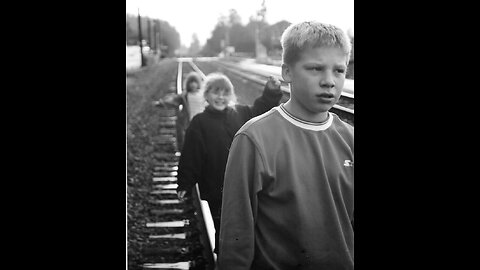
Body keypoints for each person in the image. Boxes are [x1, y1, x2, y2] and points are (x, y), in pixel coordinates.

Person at [218, 21, 354, 269]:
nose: (329, 81)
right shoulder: (253, 139)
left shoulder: (350, 139)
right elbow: (236, 233)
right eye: (315, 69)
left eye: (339, 71)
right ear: (287, 72)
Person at [176, 72, 283, 254]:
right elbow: (191, 154)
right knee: (223, 227)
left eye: (225, 93)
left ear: (231, 95)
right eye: (215, 92)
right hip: (216, 187)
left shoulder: (241, 113)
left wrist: (271, 92)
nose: (220, 97)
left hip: (244, 184)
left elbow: (261, 109)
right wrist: (184, 183)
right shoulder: (199, 122)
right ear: (206, 95)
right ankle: (224, 256)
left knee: (249, 223)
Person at [154, 71, 206, 150]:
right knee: (191, 139)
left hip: (202, 122)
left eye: (195, 82)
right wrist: (162, 103)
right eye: (191, 82)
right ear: (188, 84)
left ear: (198, 83)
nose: (193, 84)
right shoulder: (185, 95)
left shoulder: (203, 94)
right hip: (190, 121)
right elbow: (173, 100)